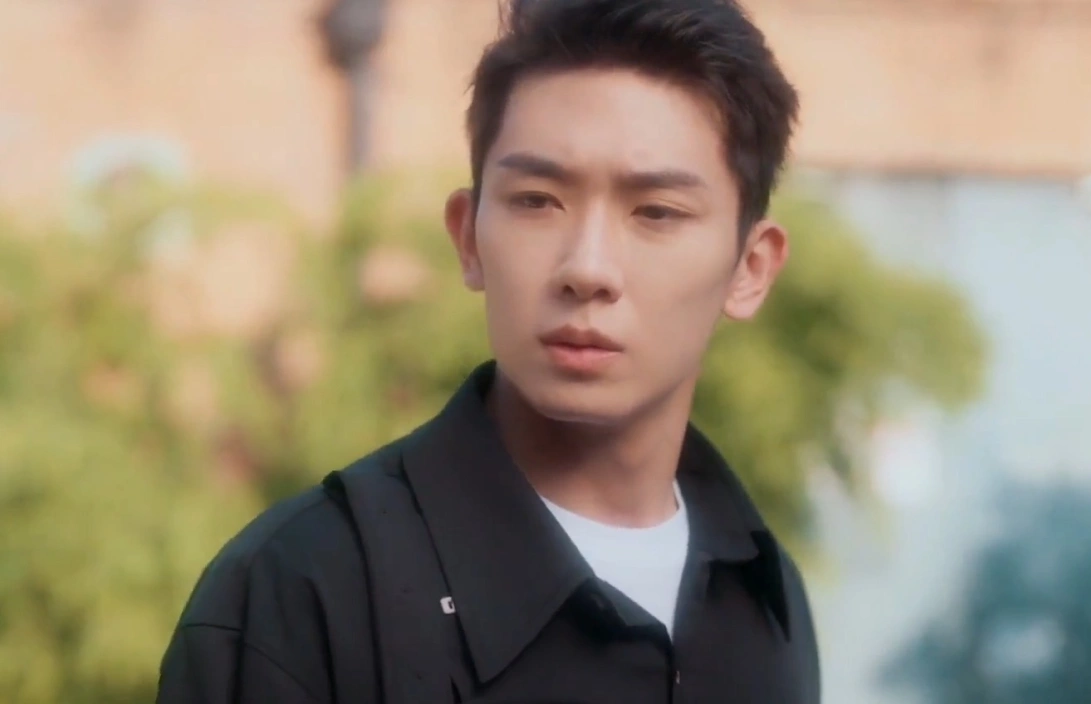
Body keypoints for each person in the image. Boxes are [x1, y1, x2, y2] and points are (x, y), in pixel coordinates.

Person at [155, 0, 820, 701]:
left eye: (656, 211)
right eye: (537, 200)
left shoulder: (765, 601)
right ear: (469, 237)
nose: (587, 268)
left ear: (750, 269)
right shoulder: (302, 594)